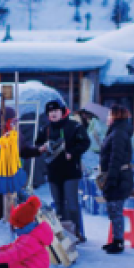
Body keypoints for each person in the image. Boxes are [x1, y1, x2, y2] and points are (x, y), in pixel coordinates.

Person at [36, 100, 90, 242]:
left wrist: (72, 152)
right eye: (50, 112)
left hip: (71, 171)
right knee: (58, 203)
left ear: (62, 111)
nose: (53, 114)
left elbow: (86, 142)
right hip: (53, 172)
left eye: (56, 111)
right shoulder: (45, 129)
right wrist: (43, 147)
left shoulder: (74, 126)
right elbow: (37, 144)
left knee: (71, 203)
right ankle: (64, 233)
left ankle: (77, 232)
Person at [100, 105, 133, 254]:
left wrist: (111, 179)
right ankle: (116, 240)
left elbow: (116, 158)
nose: (107, 118)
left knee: (116, 209)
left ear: (115, 117)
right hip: (118, 175)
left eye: (109, 115)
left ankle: (118, 242)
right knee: (114, 210)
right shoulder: (116, 131)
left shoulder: (118, 133)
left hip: (119, 177)